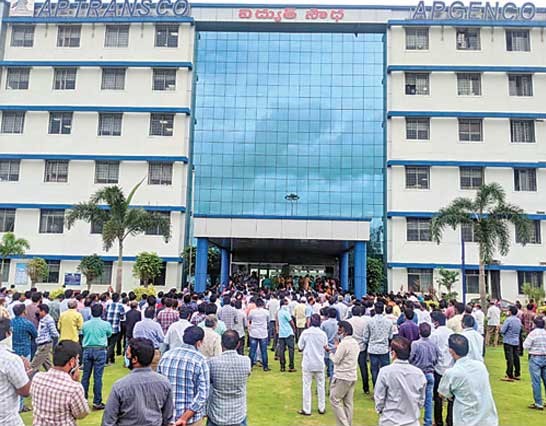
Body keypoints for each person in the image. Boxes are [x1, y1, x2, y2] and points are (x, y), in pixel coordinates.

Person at [102, 337, 173, 426]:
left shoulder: (120, 386)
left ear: (135, 359)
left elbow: (108, 421)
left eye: (127, 355)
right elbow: (168, 418)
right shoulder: (165, 383)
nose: (126, 357)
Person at [439, 334, 498, 426]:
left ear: (451, 351)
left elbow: (442, 393)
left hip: (466, 420)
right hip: (487, 419)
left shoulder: (452, 372)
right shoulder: (480, 366)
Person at [158, 326, 210, 426]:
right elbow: (203, 395)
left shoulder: (166, 356)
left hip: (167, 417)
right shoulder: (200, 361)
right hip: (190, 419)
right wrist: (184, 417)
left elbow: (158, 387)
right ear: (199, 342)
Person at [31, 340, 90, 425]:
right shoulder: (74, 388)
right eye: (78, 359)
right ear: (72, 362)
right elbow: (82, 413)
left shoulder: (37, 378)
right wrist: (76, 381)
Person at [374, 336, 427, 426]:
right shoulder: (419, 374)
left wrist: (380, 409)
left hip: (389, 420)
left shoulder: (385, 372)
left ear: (393, 353)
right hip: (411, 421)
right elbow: (421, 400)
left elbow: (379, 397)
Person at [207, 330, 251, 426]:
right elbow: (247, 374)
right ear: (238, 344)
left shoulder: (212, 362)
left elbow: (209, 381)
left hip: (217, 412)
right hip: (238, 414)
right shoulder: (246, 361)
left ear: (221, 344)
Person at [325, 321, 360, 426]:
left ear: (344, 331)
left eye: (339, 329)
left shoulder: (344, 344)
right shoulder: (354, 343)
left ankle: (344, 424)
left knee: (334, 399)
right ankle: (347, 422)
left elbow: (336, 360)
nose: (338, 331)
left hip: (342, 376)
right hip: (352, 375)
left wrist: (329, 352)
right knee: (348, 403)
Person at [0, 317, 31, 426]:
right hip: (7, 419)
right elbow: (25, 391)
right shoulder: (11, 359)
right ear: (8, 334)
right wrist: (26, 371)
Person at [81, 303, 112, 410]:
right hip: (99, 350)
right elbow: (109, 334)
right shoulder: (105, 324)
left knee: (85, 376)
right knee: (97, 377)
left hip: (87, 349)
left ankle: (83, 400)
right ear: (102, 312)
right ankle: (97, 401)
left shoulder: (85, 324)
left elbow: (82, 333)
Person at [298, 313, 328, 416]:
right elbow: (325, 346)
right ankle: (322, 407)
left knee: (307, 386)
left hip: (308, 363)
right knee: (321, 385)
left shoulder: (306, 333)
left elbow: (300, 346)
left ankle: (307, 409)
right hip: (319, 362)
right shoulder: (323, 334)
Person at [410, 322, 439, 426]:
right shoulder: (433, 345)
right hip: (429, 373)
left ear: (419, 332)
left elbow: (410, 357)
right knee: (428, 401)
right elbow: (436, 359)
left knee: (414, 398)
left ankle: (413, 420)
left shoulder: (415, 344)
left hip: (418, 374)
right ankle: (428, 421)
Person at [430, 310, 454, 426]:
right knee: (451, 397)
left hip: (438, 368)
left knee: (437, 397)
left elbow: (432, 351)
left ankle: (438, 421)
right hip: (450, 366)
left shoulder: (434, 334)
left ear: (436, 322)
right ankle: (450, 421)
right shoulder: (451, 333)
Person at [363, 301, 393, 387]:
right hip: (384, 348)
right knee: (385, 370)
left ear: (375, 310)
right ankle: (385, 388)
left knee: (374, 370)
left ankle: (376, 389)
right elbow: (390, 336)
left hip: (373, 348)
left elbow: (365, 337)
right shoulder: (389, 322)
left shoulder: (369, 322)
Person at [346, 305, 371, 394]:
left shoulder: (348, 322)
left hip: (350, 347)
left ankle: (347, 387)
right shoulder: (364, 322)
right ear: (360, 313)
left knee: (348, 367)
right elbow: (366, 334)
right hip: (361, 346)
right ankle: (366, 387)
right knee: (363, 367)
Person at [523, 316, 546, 410]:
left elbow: (525, 345)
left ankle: (538, 403)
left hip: (535, 357)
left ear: (535, 324)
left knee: (536, 381)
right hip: (545, 356)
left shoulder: (533, 334)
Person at [31, 303, 59, 373]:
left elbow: (54, 333)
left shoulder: (49, 320)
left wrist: (49, 339)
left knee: (34, 365)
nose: (37, 313)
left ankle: (29, 380)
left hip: (44, 344)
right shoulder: (42, 319)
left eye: (39, 311)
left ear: (43, 311)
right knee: (48, 365)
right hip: (41, 343)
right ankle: (54, 376)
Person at [500, 305, 522, 382]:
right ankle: (517, 373)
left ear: (510, 312)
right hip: (516, 341)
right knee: (516, 357)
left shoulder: (508, 320)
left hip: (508, 340)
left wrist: (501, 328)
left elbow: (502, 330)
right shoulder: (518, 320)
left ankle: (509, 373)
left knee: (509, 358)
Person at [248, 298, 270, 371]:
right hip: (263, 333)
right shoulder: (266, 312)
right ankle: (265, 366)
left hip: (254, 332)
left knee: (252, 350)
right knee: (264, 350)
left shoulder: (252, 311)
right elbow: (268, 320)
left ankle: (250, 366)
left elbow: (249, 319)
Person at [277, 298, 296, 372]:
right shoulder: (286, 312)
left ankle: (282, 366)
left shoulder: (279, 312)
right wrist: (294, 329)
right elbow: (291, 321)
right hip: (288, 332)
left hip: (281, 333)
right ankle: (291, 366)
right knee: (291, 349)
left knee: (282, 350)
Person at [105, 293, 125, 364]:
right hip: (115, 328)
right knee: (112, 345)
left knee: (108, 344)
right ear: (118, 298)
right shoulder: (120, 306)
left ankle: (112, 359)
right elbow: (123, 317)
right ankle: (106, 359)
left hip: (107, 328)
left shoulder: (108, 305)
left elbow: (105, 315)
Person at [321, 307, 338, 380]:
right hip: (335, 348)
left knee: (324, 369)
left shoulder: (324, 324)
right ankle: (332, 387)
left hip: (326, 347)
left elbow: (321, 335)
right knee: (333, 369)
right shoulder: (339, 324)